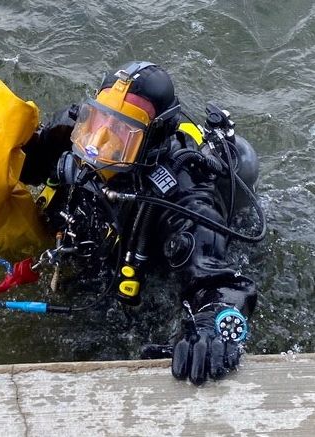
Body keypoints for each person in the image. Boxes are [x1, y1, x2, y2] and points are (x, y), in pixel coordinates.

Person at [18, 61, 265, 385]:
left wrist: (214, 323)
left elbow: (219, 281)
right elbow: (26, 162)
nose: (100, 143)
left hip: (146, 265)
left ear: (151, 140)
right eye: (98, 122)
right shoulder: (74, 130)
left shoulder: (183, 191)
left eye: (123, 133)